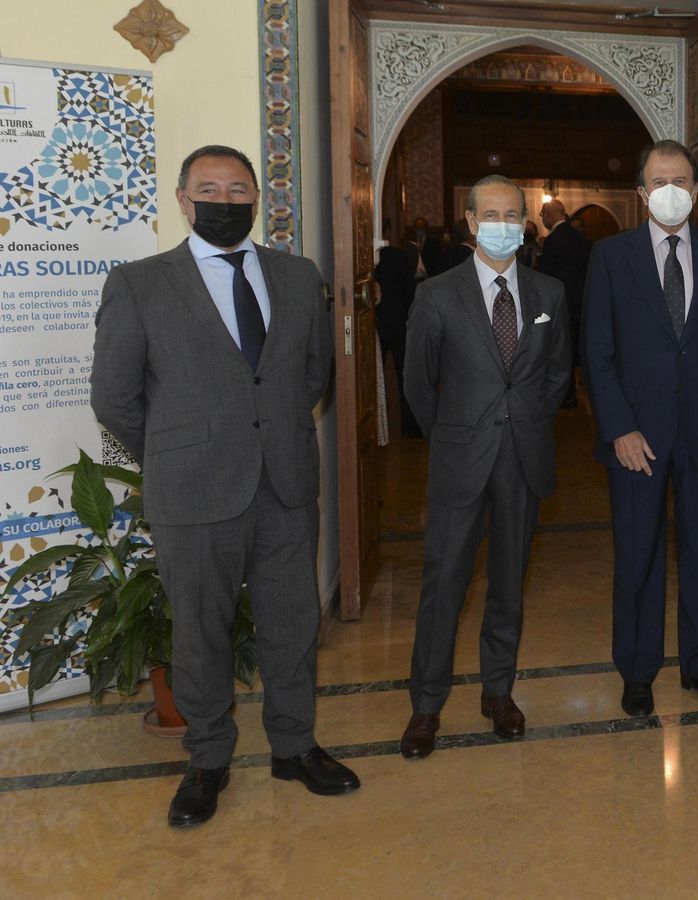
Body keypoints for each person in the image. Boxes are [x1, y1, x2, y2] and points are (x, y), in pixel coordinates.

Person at [90, 144, 358, 827]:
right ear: (182, 199)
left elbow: (310, 376)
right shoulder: (140, 283)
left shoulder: (298, 277)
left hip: (285, 485)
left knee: (293, 627)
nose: (225, 201)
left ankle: (295, 747)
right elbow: (115, 397)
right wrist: (175, 454)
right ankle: (208, 760)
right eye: (209, 188)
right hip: (193, 491)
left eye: (239, 189)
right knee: (201, 632)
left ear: (256, 198)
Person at [398, 174, 572, 758]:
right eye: (489, 214)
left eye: (511, 215)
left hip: (522, 459)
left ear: (524, 222)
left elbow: (556, 375)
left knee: (507, 586)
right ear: (471, 223)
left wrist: (525, 418)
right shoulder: (437, 295)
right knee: (443, 585)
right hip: (459, 460)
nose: (501, 224)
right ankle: (426, 705)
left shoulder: (549, 294)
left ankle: (498, 692)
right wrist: (449, 434)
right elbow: (417, 383)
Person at [583, 140, 698, 717]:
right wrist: (619, 429)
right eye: (659, 181)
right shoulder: (610, 257)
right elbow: (597, 353)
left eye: (681, 180)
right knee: (638, 555)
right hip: (637, 438)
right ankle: (636, 670)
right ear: (641, 192)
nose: (671, 190)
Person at [537, 199, 592, 406]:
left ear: (550, 215)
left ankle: (565, 394)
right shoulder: (581, 239)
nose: (543, 219)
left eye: (543, 215)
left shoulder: (554, 240)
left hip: (561, 303)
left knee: (560, 350)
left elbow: (547, 276)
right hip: (580, 301)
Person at [374, 241, 420, 436]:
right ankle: (411, 429)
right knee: (405, 377)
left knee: (374, 379)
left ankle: (377, 430)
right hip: (399, 323)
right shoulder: (397, 256)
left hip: (375, 323)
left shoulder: (362, 256)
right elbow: (410, 290)